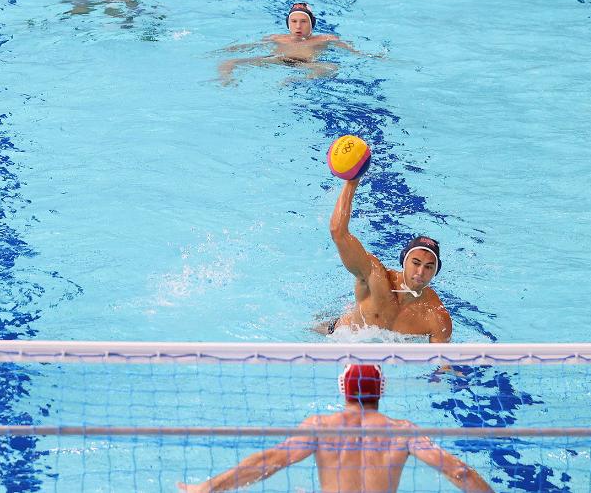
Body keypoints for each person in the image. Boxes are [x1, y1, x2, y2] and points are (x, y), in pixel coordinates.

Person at [177, 364, 494, 493]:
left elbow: (267, 463)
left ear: (343, 389)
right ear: (380, 391)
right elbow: (459, 472)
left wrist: (207, 487)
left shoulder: (319, 427)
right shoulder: (402, 431)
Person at [324, 176, 452, 342]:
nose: (421, 272)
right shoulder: (374, 276)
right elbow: (338, 232)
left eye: (429, 267)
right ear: (403, 260)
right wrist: (351, 183)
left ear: (436, 270)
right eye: (415, 263)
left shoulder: (436, 316)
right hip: (337, 336)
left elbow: (443, 365)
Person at [218, 3, 378, 85]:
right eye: (293, 21)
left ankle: (297, 80)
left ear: (312, 24)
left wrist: (374, 56)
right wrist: (225, 50)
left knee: (331, 68)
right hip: (278, 60)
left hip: (306, 65)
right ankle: (225, 81)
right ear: (288, 24)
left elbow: (354, 51)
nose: (298, 26)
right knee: (229, 62)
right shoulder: (277, 38)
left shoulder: (325, 39)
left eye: (303, 22)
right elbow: (248, 47)